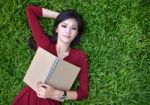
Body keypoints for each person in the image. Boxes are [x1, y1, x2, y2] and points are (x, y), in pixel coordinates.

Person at [12, 5, 89, 105]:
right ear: (56, 29)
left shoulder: (79, 57)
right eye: (64, 26)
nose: (68, 31)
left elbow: (83, 93)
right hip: (27, 99)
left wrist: (55, 94)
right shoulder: (44, 44)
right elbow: (30, 11)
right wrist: (61, 16)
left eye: (73, 28)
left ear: (77, 34)